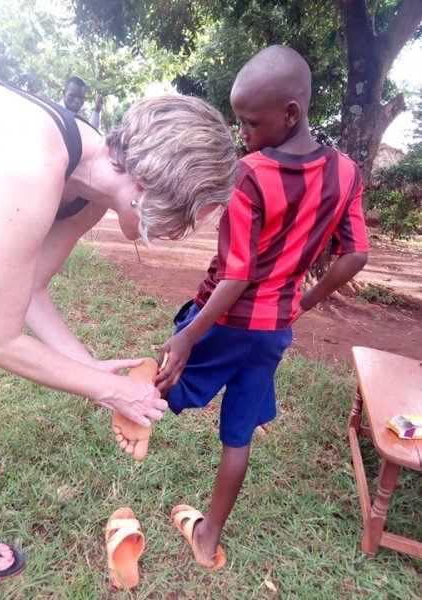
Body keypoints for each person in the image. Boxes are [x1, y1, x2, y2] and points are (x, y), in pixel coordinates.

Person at [115, 44, 369, 571]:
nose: (244, 135)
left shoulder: (248, 174)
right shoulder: (346, 173)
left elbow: (235, 273)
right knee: (238, 435)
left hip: (229, 320)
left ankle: (136, 404)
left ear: (291, 114)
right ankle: (208, 538)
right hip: (275, 329)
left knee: (175, 363)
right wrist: (304, 300)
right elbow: (355, 254)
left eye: (250, 123)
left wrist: (189, 335)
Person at [0, 78, 237, 581]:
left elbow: (28, 290)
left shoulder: (90, 192)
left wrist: (89, 369)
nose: (176, 233)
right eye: (181, 217)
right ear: (151, 187)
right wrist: (113, 390)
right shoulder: (36, 165)